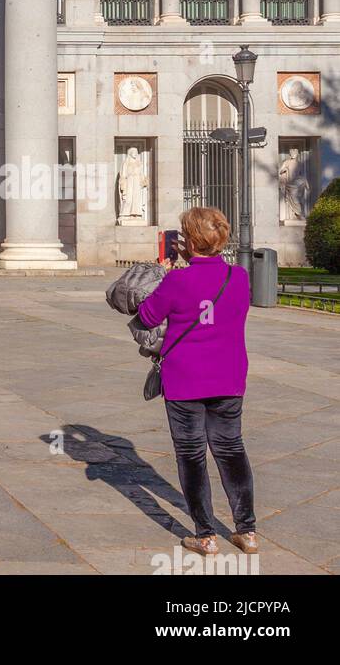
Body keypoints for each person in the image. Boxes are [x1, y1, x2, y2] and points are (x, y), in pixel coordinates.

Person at [138, 206, 257, 557]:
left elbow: (146, 317)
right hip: (229, 375)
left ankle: (206, 535)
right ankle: (247, 531)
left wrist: (165, 275)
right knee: (231, 449)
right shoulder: (239, 277)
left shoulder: (177, 280)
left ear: (188, 242)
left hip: (185, 378)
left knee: (191, 454)